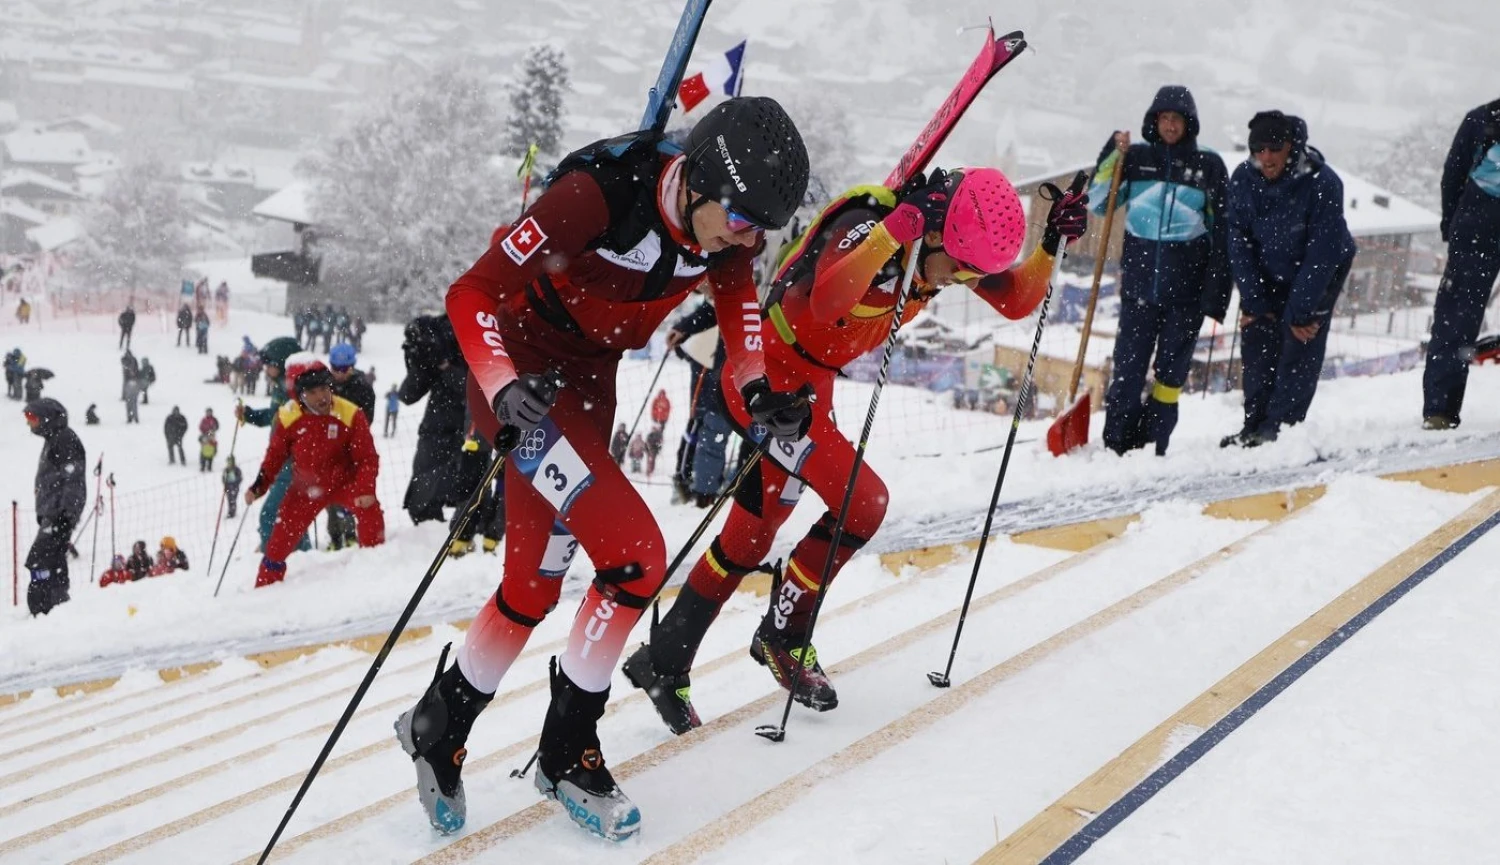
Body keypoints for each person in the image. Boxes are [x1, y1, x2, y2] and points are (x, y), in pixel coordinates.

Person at [395, 96, 813, 841]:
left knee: (531, 583)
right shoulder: (597, 197)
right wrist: (497, 385)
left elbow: (742, 327)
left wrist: (761, 398)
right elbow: (470, 292)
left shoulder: (728, 241)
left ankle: (439, 719)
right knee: (635, 558)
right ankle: (567, 751)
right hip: (521, 382)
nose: (747, 240)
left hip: (587, 383)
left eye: (760, 229)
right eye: (742, 219)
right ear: (697, 182)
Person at [623, 163, 1086, 736]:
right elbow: (825, 299)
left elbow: (1017, 300)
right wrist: (894, 232)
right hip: (767, 381)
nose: (954, 281)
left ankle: (664, 660)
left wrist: (1048, 245)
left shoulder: (947, 251)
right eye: (957, 268)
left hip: (812, 388)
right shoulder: (870, 222)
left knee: (749, 536)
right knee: (863, 502)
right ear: (939, 233)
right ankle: (783, 635)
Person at [1091, 86, 1232, 456]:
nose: (1170, 125)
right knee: (1127, 371)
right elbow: (1099, 204)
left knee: (1169, 377)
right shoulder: (1135, 159)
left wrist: (1217, 290)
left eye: (1177, 119)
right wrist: (1111, 154)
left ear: (1190, 123)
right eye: (1164, 118)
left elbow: (1224, 231)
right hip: (1139, 288)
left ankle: (1154, 443)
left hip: (1186, 294)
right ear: (1154, 121)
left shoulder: (1209, 165)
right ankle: (1118, 444)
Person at [1220, 111, 1356, 448]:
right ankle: (1254, 426)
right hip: (1266, 275)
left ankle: (1281, 432)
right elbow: (1238, 242)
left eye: (1273, 149)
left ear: (1291, 148)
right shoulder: (1243, 179)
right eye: (1258, 149)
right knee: (1258, 344)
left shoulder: (1323, 183)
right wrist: (1254, 301)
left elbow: (1323, 254)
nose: (1265, 157)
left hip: (1317, 277)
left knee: (1299, 345)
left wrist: (1302, 311)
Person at [245, 360, 384, 586]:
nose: (322, 397)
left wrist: (366, 489)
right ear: (300, 395)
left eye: (324, 389)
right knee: (279, 542)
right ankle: (265, 588)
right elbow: (274, 459)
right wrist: (258, 487)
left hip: (344, 482)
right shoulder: (287, 416)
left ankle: (376, 567)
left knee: (370, 510)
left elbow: (367, 458)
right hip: (305, 489)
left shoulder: (350, 414)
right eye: (313, 392)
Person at [1422, 98, 1500, 429]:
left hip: (1473, 225)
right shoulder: (1482, 120)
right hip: (1476, 228)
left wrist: (1453, 224)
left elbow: (1452, 176)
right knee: (1457, 322)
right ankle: (1440, 410)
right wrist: (1452, 227)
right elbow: (1453, 173)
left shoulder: (1483, 118)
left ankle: (1440, 409)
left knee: (1456, 320)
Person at [238, 337, 313, 554]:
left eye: (269, 364)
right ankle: (304, 558)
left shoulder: (294, 390)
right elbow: (273, 417)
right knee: (291, 514)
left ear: (281, 364)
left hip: (294, 463)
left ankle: (272, 557)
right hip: (282, 461)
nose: (265, 368)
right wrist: (249, 415)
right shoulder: (281, 389)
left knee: (271, 514)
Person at [397, 314, 469, 524]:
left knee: (468, 496)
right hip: (436, 427)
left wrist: (447, 367)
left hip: (469, 431)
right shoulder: (438, 334)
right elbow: (408, 394)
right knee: (423, 492)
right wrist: (419, 358)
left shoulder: (480, 337)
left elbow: (474, 388)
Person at [24, 397, 86, 616]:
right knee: (49, 560)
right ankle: (50, 606)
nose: (29, 423)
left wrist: (67, 514)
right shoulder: (54, 439)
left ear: (47, 418)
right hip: (52, 515)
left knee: (40, 560)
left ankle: (49, 606)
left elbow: (74, 479)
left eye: (32, 418)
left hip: (59, 516)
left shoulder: (64, 440)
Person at [329, 343, 376, 421]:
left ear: (352, 367)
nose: (340, 374)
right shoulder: (323, 385)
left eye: (344, 369)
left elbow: (365, 422)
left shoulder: (364, 389)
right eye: (336, 368)